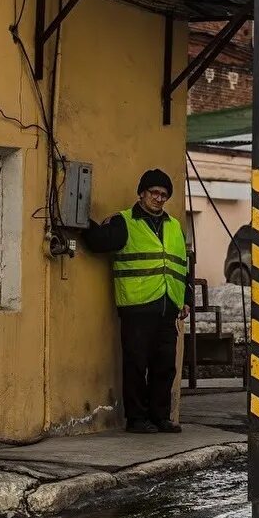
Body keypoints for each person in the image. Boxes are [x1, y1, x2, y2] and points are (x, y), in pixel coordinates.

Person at [84, 169, 192, 434]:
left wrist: (187, 298)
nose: (159, 198)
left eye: (164, 195)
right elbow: (100, 243)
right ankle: (137, 419)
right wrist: (81, 221)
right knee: (136, 364)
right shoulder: (124, 221)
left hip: (168, 306)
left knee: (165, 366)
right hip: (137, 305)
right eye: (154, 193)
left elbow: (183, 265)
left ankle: (160, 417)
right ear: (142, 193)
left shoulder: (174, 226)